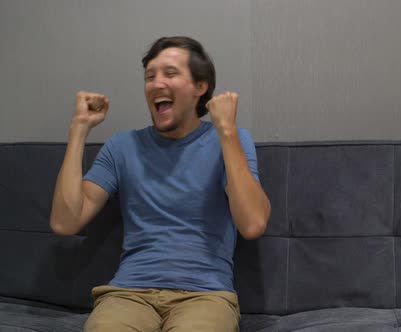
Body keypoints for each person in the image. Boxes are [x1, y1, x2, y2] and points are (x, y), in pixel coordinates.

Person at [49, 36, 271, 332]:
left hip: (205, 296)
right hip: (129, 294)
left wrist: (227, 131)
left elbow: (253, 224)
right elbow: (66, 222)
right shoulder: (122, 147)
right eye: (150, 76)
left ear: (200, 87)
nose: (155, 83)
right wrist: (78, 129)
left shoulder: (231, 141)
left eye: (170, 73)